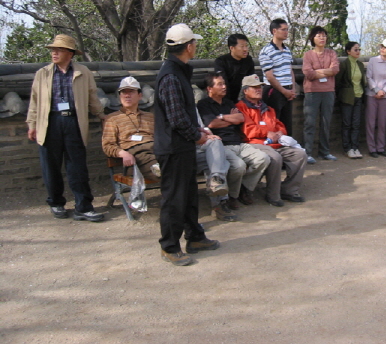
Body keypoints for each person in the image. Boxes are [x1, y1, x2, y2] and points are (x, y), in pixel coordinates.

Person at [102, 76, 230, 204]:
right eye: (124, 92)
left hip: (160, 151)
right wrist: (122, 153)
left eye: (131, 92)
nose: (127, 95)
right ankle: (178, 203)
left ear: (140, 95)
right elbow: (107, 145)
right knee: (168, 168)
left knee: (210, 158)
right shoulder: (112, 119)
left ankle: (219, 201)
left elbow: (168, 134)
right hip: (137, 155)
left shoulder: (151, 117)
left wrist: (197, 132)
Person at [153, 23, 220, 266]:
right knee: (174, 197)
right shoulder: (171, 75)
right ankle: (169, 246)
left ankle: (195, 237)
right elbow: (176, 117)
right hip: (173, 146)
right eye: (194, 43)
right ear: (189, 46)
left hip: (180, 144)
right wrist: (197, 135)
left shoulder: (179, 70)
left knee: (189, 192)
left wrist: (196, 130)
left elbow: (182, 113)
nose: (195, 47)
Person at [26, 34, 106, 222]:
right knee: (50, 166)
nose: (54, 53)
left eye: (59, 49)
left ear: (70, 53)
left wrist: (101, 115)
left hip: (73, 121)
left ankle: (83, 206)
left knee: (77, 166)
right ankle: (56, 202)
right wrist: (32, 124)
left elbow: (92, 96)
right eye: (53, 50)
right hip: (50, 122)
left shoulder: (83, 72)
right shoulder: (43, 73)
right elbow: (34, 101)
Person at [197, 72, 270, 214]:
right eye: (220, 84)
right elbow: (212, 123)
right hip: (221, 145)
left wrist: (222, 117)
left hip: (239, 142)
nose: (224, 87)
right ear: (209, 89)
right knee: (238, 166)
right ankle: (232, 196)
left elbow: (240, 118)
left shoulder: (229, 102)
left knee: (263, 158)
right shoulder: (203, 104)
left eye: (224, 84)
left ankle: (244, 188)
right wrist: (228, 119)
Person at [236, 74, 308, 205]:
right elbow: (248, 130)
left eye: (260, 87)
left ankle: (289, 190)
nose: (259, 90)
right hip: (254, 144)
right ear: (245, 91)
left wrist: (279, 133)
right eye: (254, 87)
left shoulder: (267, 108)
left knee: (300, 154)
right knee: (275, 157)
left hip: (275, 143)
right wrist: (268, 132)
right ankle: (273, 195)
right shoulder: (240, 108)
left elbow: (279, 125)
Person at [302, 26, 339, 164]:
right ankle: (307, 152)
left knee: (326, 123)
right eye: (318, 36)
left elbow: (335, 69)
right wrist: (325, 72)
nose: (322, 38)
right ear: (312, 38)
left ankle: (324, 152)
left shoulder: (331, 53)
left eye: (324, 35)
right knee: (309, 123)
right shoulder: (308, 55)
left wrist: (318, 71)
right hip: (312, 91)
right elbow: (309, 73)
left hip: (328, 91)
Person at [259, 19, 296, 135]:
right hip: (274, 91)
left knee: (287, 123)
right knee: (274, 122)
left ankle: (289, 148)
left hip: (288, 89)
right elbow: (269, 76)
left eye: (287, 29)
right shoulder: (266, 51)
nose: (286, 32)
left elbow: (290, 70)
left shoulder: (287, 50)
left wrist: (293, 88)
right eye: (283, 29)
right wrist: (284, 91)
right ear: (274, 31)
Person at [365, 39, 386, 158]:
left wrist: (384, 91)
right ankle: (371, 148)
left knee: (382, 123)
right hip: (372, 95)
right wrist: (377, 90)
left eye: (385, 47)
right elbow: (369, 77)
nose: (382, 49)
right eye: (382, 47)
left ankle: (381, 147)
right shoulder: (373, 61)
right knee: (371, 122)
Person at [335, 41, 366, 159]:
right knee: (347, 123)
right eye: (355, 49)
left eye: (359, 49)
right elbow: (338, 81)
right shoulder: (344, 64)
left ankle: (355, 147)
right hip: (347, 97)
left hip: (359, 96)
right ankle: (347, 148)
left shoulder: (360, 65)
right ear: (348, 51)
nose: (358, 52)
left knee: (356, 124)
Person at [214, 34, 255, 102]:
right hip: (225, 98)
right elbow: (222, 83)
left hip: (243, 97)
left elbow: (251, 80)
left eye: (246, 46)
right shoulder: (221, 61)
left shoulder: (248, 60)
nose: (245, 49)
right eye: (242, 46)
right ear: (232, 48)